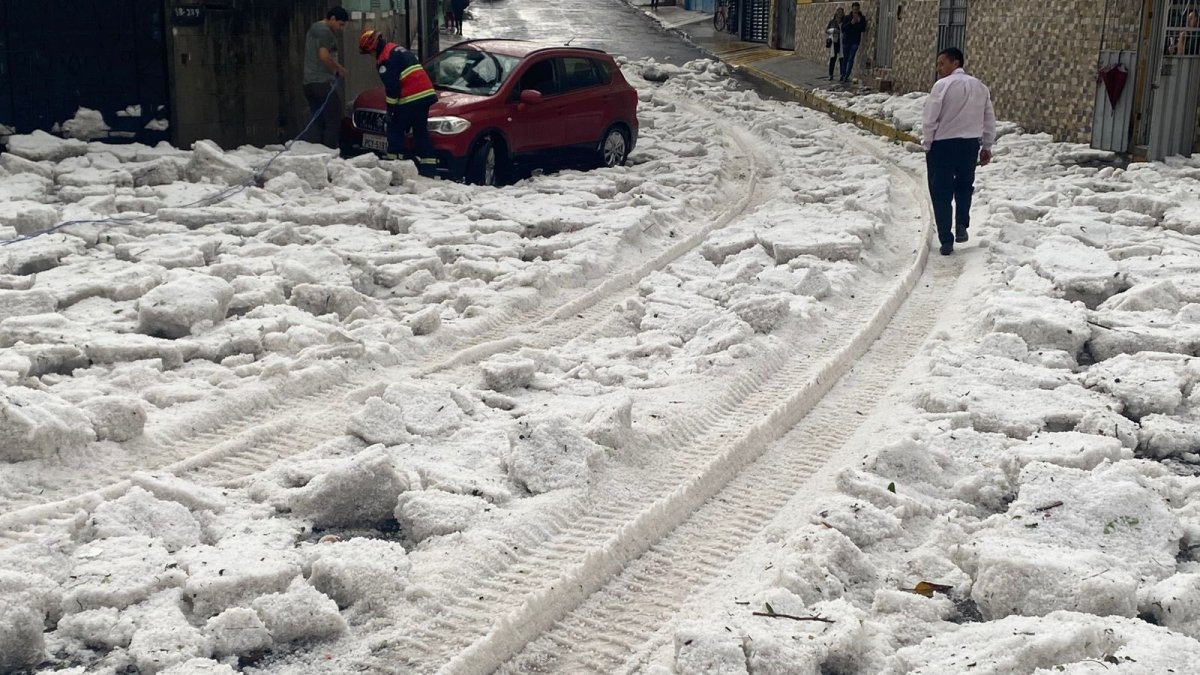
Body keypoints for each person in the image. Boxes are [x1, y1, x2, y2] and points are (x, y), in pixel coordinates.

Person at [921, 47, 995, 256]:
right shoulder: (980, 87)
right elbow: (988, 118)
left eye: (942, 63)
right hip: (969, 145)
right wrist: (987, 146)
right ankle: (962, 223)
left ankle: (946, 239)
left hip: (942, 146)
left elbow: (930, 118)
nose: (939, 68)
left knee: (941, 191)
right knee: (964, 185)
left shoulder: (942, 86)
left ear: (956, 63)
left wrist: (927, 142)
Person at [358, 30, 439, 174]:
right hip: (425, 95)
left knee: (394, 127)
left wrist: (391, 110)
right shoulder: (394, 48)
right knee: (420, 131)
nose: (370, 56)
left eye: (369, 52)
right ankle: (429, 168)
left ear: (373, 48)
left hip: (412, 96)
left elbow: (392, 88)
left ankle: (395, 166)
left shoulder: (385, 59)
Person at [302, 6, 349, 148]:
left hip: (309, 83)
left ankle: (318, 151)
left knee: (319, 120)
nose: (341, 28)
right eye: (340, 24)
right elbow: (323, 55)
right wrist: (338, 68)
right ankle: (330, 153)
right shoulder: (325, 32)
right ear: (332, 18)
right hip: (321, 83)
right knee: (334, 118)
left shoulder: (314, 28)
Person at [839, 2, 868, 82]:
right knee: (845, 58)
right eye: (854, 9)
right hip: (846, 40)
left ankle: (847, 75)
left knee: (851, 58)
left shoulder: (861, 18)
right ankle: (843, 74)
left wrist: (859, 23)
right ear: (852, 9)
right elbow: (843, 29)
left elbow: (863, 29)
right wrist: (851, 23)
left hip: (855, 41)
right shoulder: (847, 18)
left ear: (859, 9)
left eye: (857, 9)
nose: (855, 11)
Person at [825, 8, 843, 81]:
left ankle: (842, 74)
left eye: (841, 13)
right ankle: (830, 74)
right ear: (836, 13)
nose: (840, 14)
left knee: (842, 59)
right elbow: (826, 30)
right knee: (833, 59)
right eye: (838, 13)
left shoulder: (844, 22)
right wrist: (833, 30)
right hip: (834, 42)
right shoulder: (832, 22)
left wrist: (839, 31)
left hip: (841, 42)